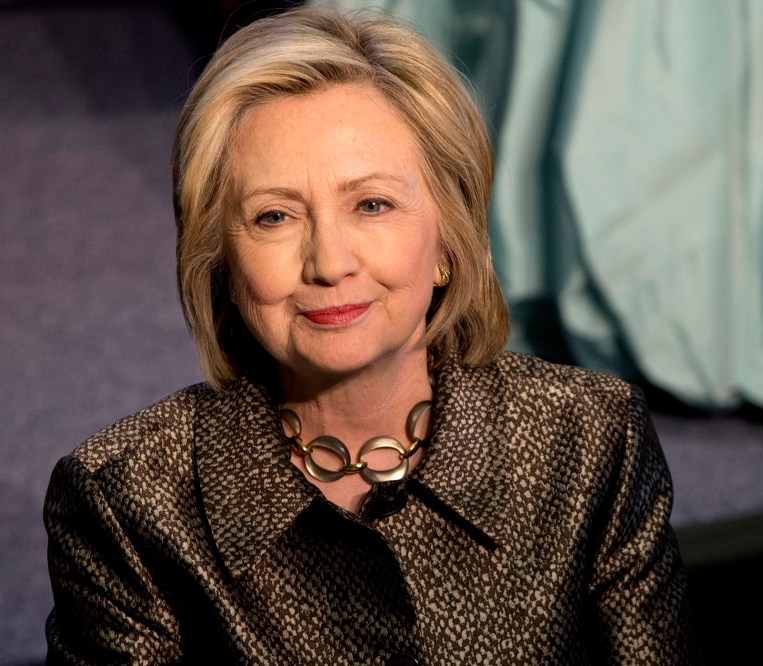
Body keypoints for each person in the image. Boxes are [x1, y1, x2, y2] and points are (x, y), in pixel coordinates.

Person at [44, 8, 697, 664]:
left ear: (448, 239)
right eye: (274, 216)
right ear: (221, 262)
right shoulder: (127, 501)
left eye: (371, 205)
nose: (329, 262)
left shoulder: (590, 440)